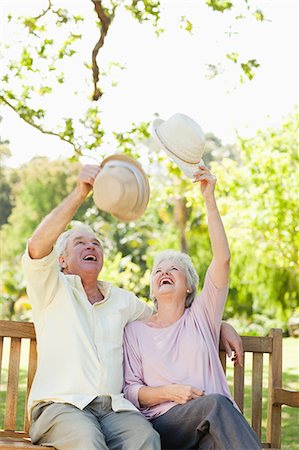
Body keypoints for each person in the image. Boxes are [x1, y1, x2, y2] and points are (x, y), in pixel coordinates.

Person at [22, 164, 243, 450]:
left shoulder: (123, 301)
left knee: (146, 439)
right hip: (62, 405)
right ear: (61, 260)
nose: (91, 247)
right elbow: (37, 245)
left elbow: (166, 317)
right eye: (80, 243)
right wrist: (79, 194)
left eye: (96, 243)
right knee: (88, 440)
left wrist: (219, 324)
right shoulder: (50, 288)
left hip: (113, 410)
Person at [123, 165, 261, 450]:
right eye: (159, 270)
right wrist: (170, 393)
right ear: (152, 288)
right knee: (216, 405)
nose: (165, 271)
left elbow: (222, 259)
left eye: (175, 268)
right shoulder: (135, 331)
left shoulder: (201, 317)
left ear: (189, 287)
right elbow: (131, 390)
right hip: (166, 426)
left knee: (213, 442)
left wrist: (209, 198)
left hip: (213, 426)